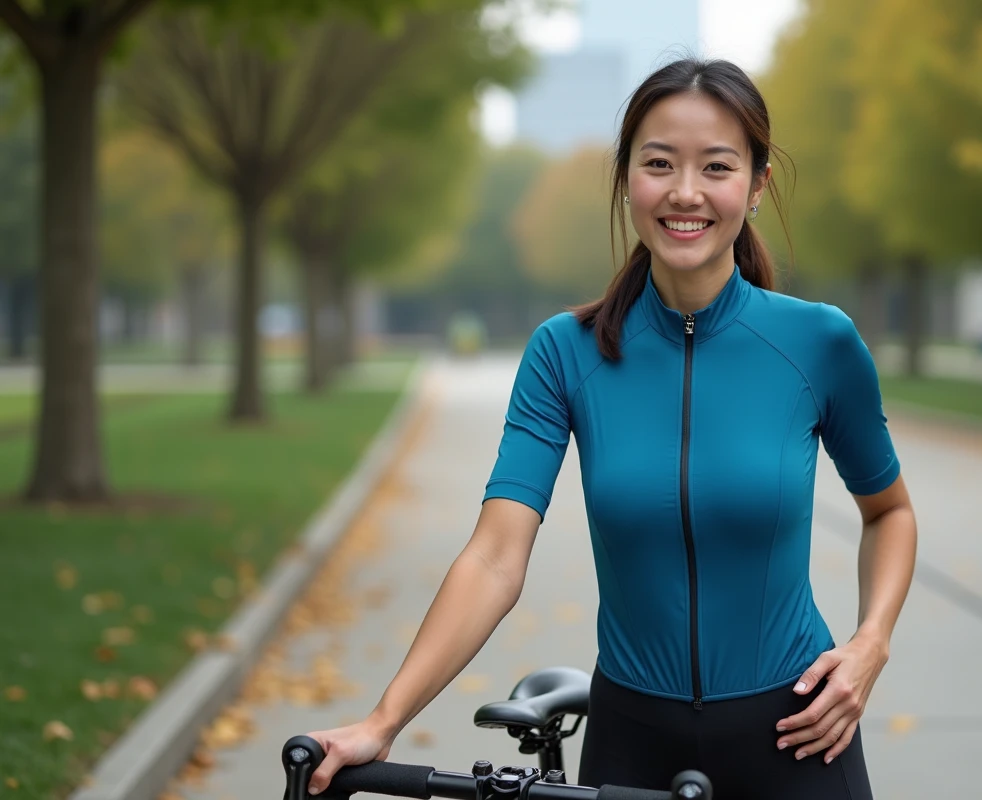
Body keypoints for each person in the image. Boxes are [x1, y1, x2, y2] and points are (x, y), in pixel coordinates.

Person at [304, 57, 917, 800]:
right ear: (627, 179)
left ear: (756, 185)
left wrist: (871, 643)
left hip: (798, 735)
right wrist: (384, 720)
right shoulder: (565, 353)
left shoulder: (818, 343)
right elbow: (495, 557)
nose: (685, 191)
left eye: (716, 166)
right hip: (631, 746)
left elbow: (889, 512)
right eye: (659, 163)